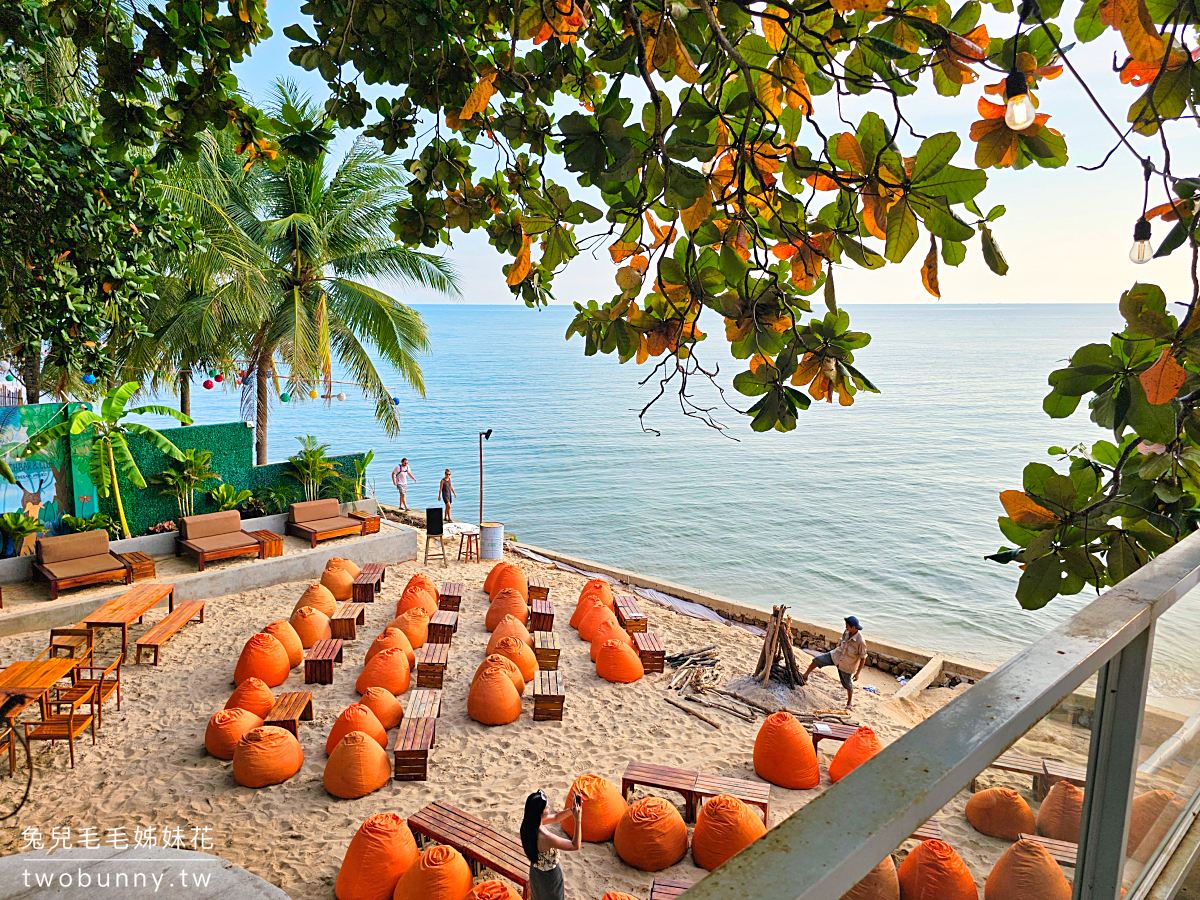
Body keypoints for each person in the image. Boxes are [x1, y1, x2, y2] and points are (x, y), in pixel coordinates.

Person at [520, 789, 582, 900]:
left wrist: (571, 810)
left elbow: (556, 818)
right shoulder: (546, 838)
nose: (549, 807)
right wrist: (578, 820)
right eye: (546, 806)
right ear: (540, 812)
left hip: (536, 872)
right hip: (550, 878)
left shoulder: (529, 824)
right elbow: (575, 845)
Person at [802, 616, 867, 709]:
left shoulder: (861, 642)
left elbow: (863, 658)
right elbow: (842, 642)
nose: (846, 628)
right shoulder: (847, 632)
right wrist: (838, 647)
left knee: (847, 684)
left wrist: (857, 673)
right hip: (836, 656)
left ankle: (849, 702)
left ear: (853, 628)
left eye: (847, 626)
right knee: (817, 660)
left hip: (847, 664)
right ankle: (805, 675)